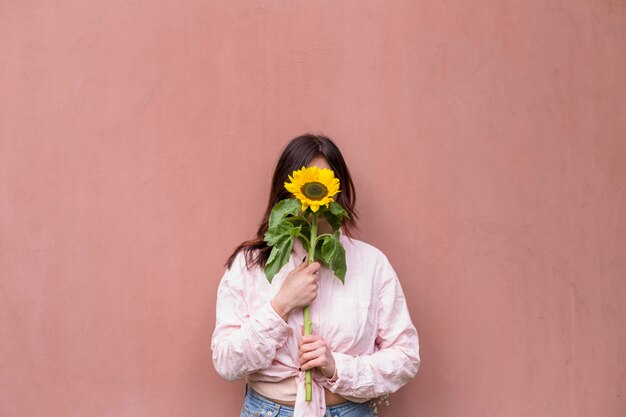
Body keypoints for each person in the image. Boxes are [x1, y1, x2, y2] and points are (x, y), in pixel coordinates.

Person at [211, 134, 420, 417]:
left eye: (326, 183)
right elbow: (226, 362)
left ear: (339, 191)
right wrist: (281, 305)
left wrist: (338, 367)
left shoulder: (372, 265)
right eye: (309, 183)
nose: (317, 192)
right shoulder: (250, 265)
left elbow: (406, 358)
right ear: (287, 190)